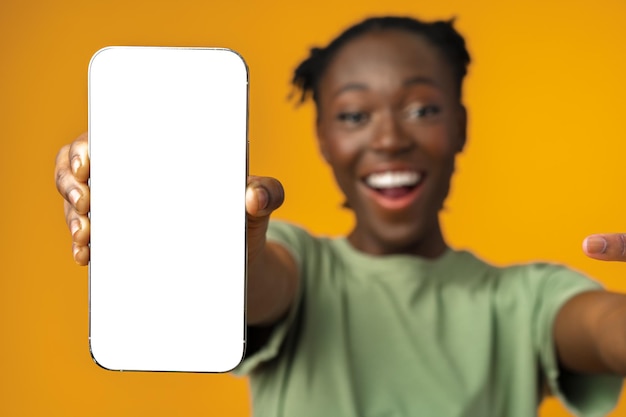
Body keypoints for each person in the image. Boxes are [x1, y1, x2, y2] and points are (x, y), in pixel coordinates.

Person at [55, 15, 626, 417]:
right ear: (323, 139)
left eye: (422, 108)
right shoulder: (300, 265)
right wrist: (205, 237)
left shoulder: (525, 300)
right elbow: (259, 284)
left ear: (460, 126)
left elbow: (606, 331)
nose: (389, 138)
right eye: (354, 115)